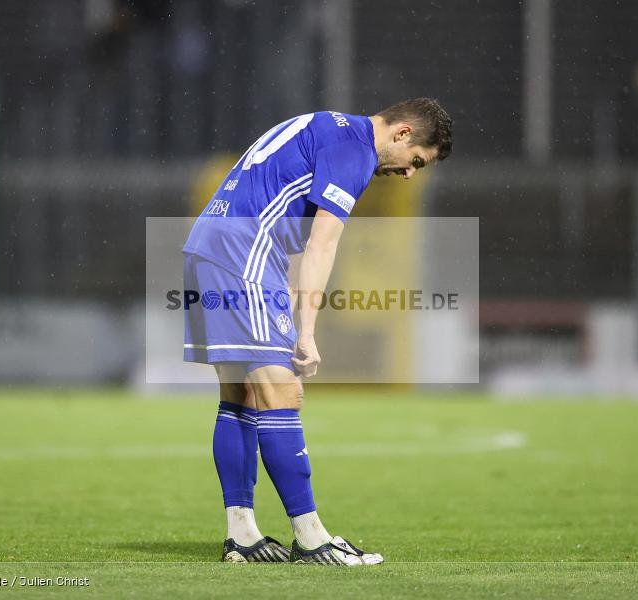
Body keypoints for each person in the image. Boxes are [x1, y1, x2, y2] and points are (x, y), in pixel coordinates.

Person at [182, 98, 453, 566]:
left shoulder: (329, 126)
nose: (409, 175)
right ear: (404, 133)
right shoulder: (355, 151)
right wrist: (306, 332)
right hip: (243, 252)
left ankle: (241, 534)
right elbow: (322, 245)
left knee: (240, 395)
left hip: (211, 243)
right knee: (282, 394)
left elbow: (275, 199)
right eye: (415, 163)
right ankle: (311, 538)